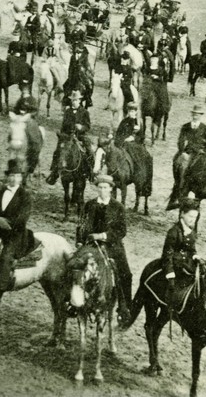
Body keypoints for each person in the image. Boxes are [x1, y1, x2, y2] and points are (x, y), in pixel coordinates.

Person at [76, 174, 132, 324]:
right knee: (74, 266)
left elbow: (122, 231)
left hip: (111, 245)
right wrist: (80, 243)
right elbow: (81, 226)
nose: (102, 190)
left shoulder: (118, 207)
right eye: (100, 187)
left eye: (105, 187)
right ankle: (73, 303)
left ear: (111, 189)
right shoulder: (89, 205)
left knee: (125, 274)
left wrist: (102, 235)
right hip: (90, 244)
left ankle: (124, 308)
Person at [0, 159, 34, 306]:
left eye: (17, 176)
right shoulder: (1, 192)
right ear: (8, 177)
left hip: (15, 234)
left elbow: (22, 219)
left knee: (6, 257)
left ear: (21, 178)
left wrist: (5, 223)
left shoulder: (25, 195)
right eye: (11, 176)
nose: (13, 179)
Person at [168, 105, 206, 210]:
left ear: (200, 115)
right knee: (180, 165)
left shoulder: (204, 128)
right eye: (194, 114)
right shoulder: (185, 126)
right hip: (188, 152)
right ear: (191, 114)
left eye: (197, 114)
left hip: (201, 153)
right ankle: (179, 188)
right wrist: (182, 152)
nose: (195, 116)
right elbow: (180, 140)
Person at [162, 195, 202, 312]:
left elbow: (192, 248)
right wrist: (170, 273)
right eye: (190, 216)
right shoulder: (174, 232)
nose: (192, 220)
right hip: (174, 264)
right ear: (182, 214)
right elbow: (167, 254)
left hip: (187, 263)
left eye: (195, 217)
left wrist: (195, 255)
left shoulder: (191, 230)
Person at [46, 90, 94, 184]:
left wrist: (81, 127)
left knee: (90, 151)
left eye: (76, 100)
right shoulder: (67, 112)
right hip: (68, 136)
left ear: (80, 101)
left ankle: (90, 173)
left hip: (80, 136)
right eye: (73, 100)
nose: (74, 102)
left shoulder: (84, 112)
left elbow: (88, 126)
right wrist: (62, 134)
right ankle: (54, 173)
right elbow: (63, 125)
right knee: (58, 151)